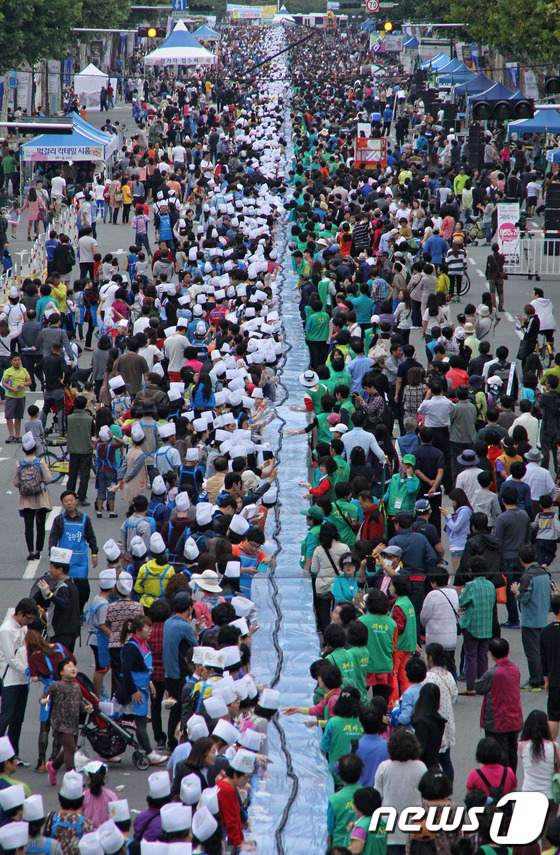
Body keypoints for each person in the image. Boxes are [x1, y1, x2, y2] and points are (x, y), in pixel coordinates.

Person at [114, 615, 167, 765]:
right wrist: (133, 691)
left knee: (132, 721)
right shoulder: (131, 648)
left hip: (141, 688)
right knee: (140, 722)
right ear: (138, 630)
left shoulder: (145, 644)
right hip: (133, 691)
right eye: (147, 628)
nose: (150, 631)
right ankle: (149, 753)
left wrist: (149, 682)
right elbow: (126, 670)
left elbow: (143, 668)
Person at [374, 728, 427, 855]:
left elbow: (377, 797)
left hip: (389, 827)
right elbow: (425, 799)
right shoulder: (421, 767)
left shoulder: (384, 767)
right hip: (414, 827)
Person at [0, 598, 38, 759]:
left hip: (23, 679)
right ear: (20, 613)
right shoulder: (6, 630)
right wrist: (26, 669)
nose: (29, 622)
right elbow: (10, 658)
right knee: (5, 718)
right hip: (9, 680)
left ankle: (13, 756)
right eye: (28, 618)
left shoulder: (23, 627)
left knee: (18, 720)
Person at [49, 490, 98, 613]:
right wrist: (52, 557)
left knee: (83, 589)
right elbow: (53, 539)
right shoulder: (59, 520)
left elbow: (91, 537)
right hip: (64, 562)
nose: (69, 503)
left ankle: (79, 610)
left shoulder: (85, 519)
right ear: (63, 504)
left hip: (80, 562)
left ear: (76, 502)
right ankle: (68, 611)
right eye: (66, 501)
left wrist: (94, 554)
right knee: (65, 588)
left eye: (71, 500)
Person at [43, 658, 92, 783]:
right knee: (70, 749)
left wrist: (86, 708)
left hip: (73, 722)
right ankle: (73, 778)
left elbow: (79, 703)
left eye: (74, 666)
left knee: (68, 749)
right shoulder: (56, 685)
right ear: (61, 672)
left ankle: (53, 767)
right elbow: (44, 697)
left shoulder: (76, 687)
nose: (73, 668)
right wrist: (44, 701)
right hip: (60, 722)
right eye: (69, 666)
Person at [513, 543, 551, 690]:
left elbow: (523, 597)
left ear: (521, 559)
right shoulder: (544, 572)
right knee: (542, 651)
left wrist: (515, 590)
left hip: (530, 619)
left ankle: (535, 680)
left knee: (532, 652)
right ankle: (543, 677)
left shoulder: (527, 576)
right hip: (542, 617)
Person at [458, 556, 496, 695]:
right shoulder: (490, 585)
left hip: (472, 625)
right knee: (483, 656)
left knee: (471, 656)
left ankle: (471, 686)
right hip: (486, 625)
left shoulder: (470, 586)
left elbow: (461, 602)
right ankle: (483, 685)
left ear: (471, 571)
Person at [13, 430, 52, 560]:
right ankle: (37, 550)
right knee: (40, 526)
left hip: (26, 500)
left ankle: (30, 551)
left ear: (23, 449)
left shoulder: (19, 463)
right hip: (40, 499)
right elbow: (48, 479)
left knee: (28, 526)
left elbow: (15, 482)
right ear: (35, 448)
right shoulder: (40, 462)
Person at [33, 547, 81, 653]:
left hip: (62, 634)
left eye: (51, 567)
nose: (49, 570)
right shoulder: (70, 583)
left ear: (59, 570)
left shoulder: (63, 587)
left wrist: (49, 594)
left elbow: (63, 604)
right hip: (69, 633)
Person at [66, 397, 95, 506]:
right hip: (86, 449)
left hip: (73, 449)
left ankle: (70, 495)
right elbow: (92, 433)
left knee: (72, 474)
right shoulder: (89, 419)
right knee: (84, 475)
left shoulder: (69, 418)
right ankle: (81, 497)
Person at [540, 594, 560, 739]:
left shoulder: (545, 632)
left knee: (553, 716)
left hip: (554, 681)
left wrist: (546, 679)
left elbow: (543, 658)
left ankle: (552, 752)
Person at [2, 352, 31, 443]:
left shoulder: (24, 370)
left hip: (21, 396)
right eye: (15, 360)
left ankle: (18, 435)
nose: (17, 362)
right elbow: (4, 383)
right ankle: (11, 435)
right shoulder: (8, 371)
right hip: (11, 396)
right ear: (11, 362)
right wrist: (11, 389)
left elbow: (29, 381)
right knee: (9, 416)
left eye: (18, 360)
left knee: (18, 416)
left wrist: (23, 384)